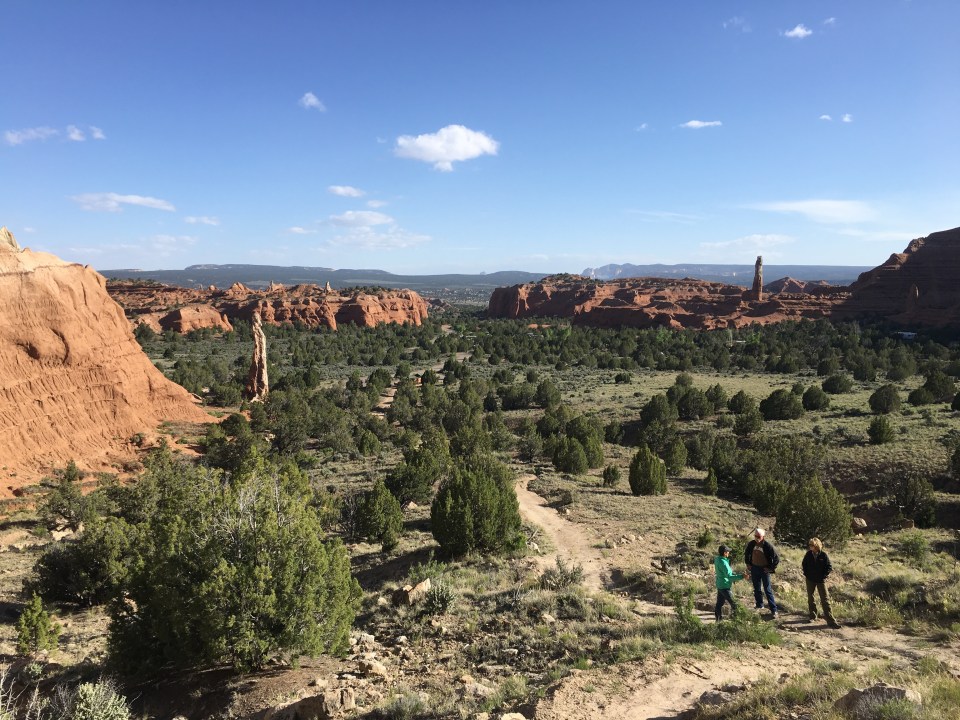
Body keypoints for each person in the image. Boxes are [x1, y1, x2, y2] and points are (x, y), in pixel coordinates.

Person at [801, 537, 841, 628]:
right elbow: (804, 564)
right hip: (810, 579)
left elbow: (829, 567)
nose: (810, 547)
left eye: (812, 545)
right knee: (810, 598)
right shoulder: (808, 554)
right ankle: (813, 616)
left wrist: (823, 576)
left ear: (816, 546)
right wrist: (807, 574)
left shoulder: (823, 555)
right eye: (809, 545)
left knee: (825, 600)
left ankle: (831, 621)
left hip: (820, 580)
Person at [744, 527, 780, 618]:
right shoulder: (752, 544)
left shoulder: (767, 546)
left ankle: (774, 610)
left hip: (764, 570)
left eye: (759, 536)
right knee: (756, 588)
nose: (757, 538)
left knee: (767, 590)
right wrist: (748, 563)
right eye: (755, 536)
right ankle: (759, 605)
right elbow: (747, 553)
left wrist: (770, 568)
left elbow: (776, 558)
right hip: (755, 568)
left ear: (763, 536)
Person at [714, 544, 744, 622]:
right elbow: (729, 577)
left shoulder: (717, 559)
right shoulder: (724, 563)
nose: (729, 553)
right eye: (727, 551)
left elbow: (726, 573)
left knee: (719, 604)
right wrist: (742, 576)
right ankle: (736, 621)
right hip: (725, 586)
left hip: (720, 585)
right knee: (735, 604)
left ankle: (718, 620)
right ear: (724, 553)